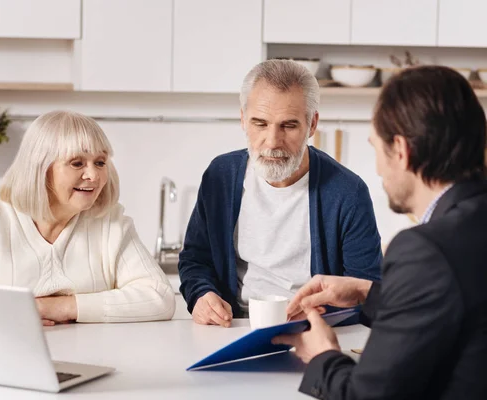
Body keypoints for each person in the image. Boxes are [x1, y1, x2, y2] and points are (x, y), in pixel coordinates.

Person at [276, 65, 487, 399]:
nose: (377, 169)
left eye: (376, 148)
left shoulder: (425, 250)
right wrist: (370, 293)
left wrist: (323, 355)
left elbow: (367, 395)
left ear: (401, 151)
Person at [0, 110, 175, 326]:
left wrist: (55, 307)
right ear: (41, 168)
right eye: (77, 163)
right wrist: (0, 312)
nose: (93, 175)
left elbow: (160, 298)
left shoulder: (111, 224)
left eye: (100, 162)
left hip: (95, 368)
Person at [178, 60, 382, 328]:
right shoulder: (221, 176)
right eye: (260, 123)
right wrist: (201, 295)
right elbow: (195, 260)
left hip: (313, 331)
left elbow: (365, 290)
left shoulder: (348, 193)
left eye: (288, 125)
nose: (272, 141)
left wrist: (317, 316)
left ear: (312, 125)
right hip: (233, 328)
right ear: (243, 119)